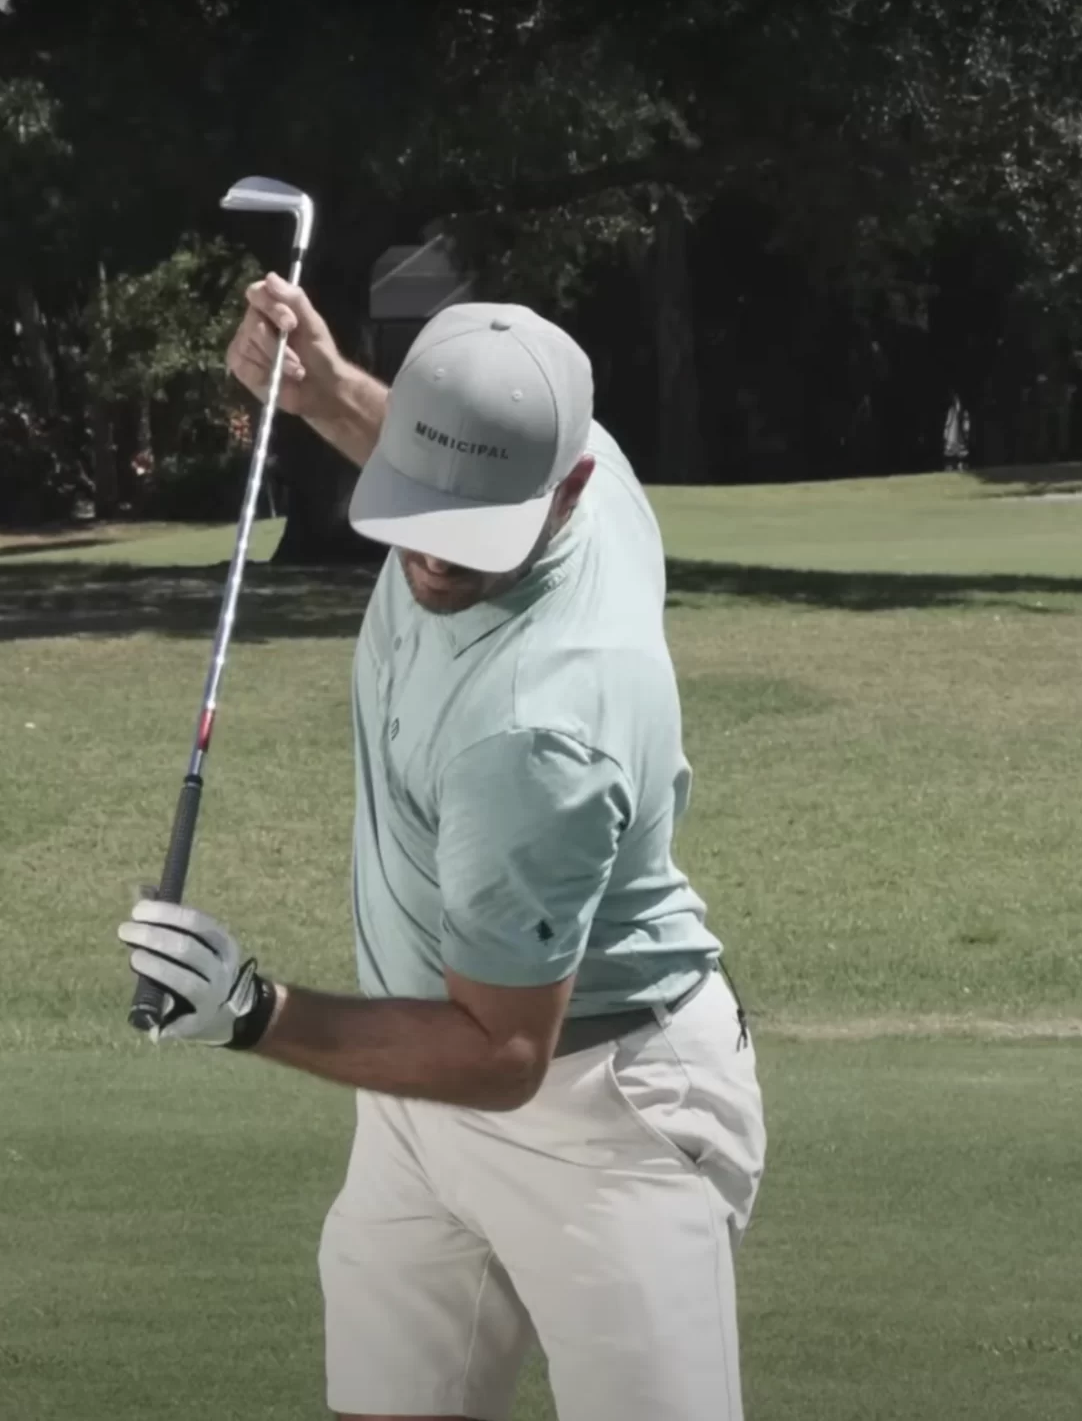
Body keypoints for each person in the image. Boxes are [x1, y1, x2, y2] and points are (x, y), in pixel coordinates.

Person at [118, 275, 767, 1421]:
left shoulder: (538, 728)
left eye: (474, 534)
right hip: (412, 1089)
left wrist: (251, 1010)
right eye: (423, 507)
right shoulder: (577, 461)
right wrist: (323, 397)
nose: (437, 561)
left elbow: (505, 1052)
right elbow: (435, 445)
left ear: (568, 487)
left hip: (597, 1111)